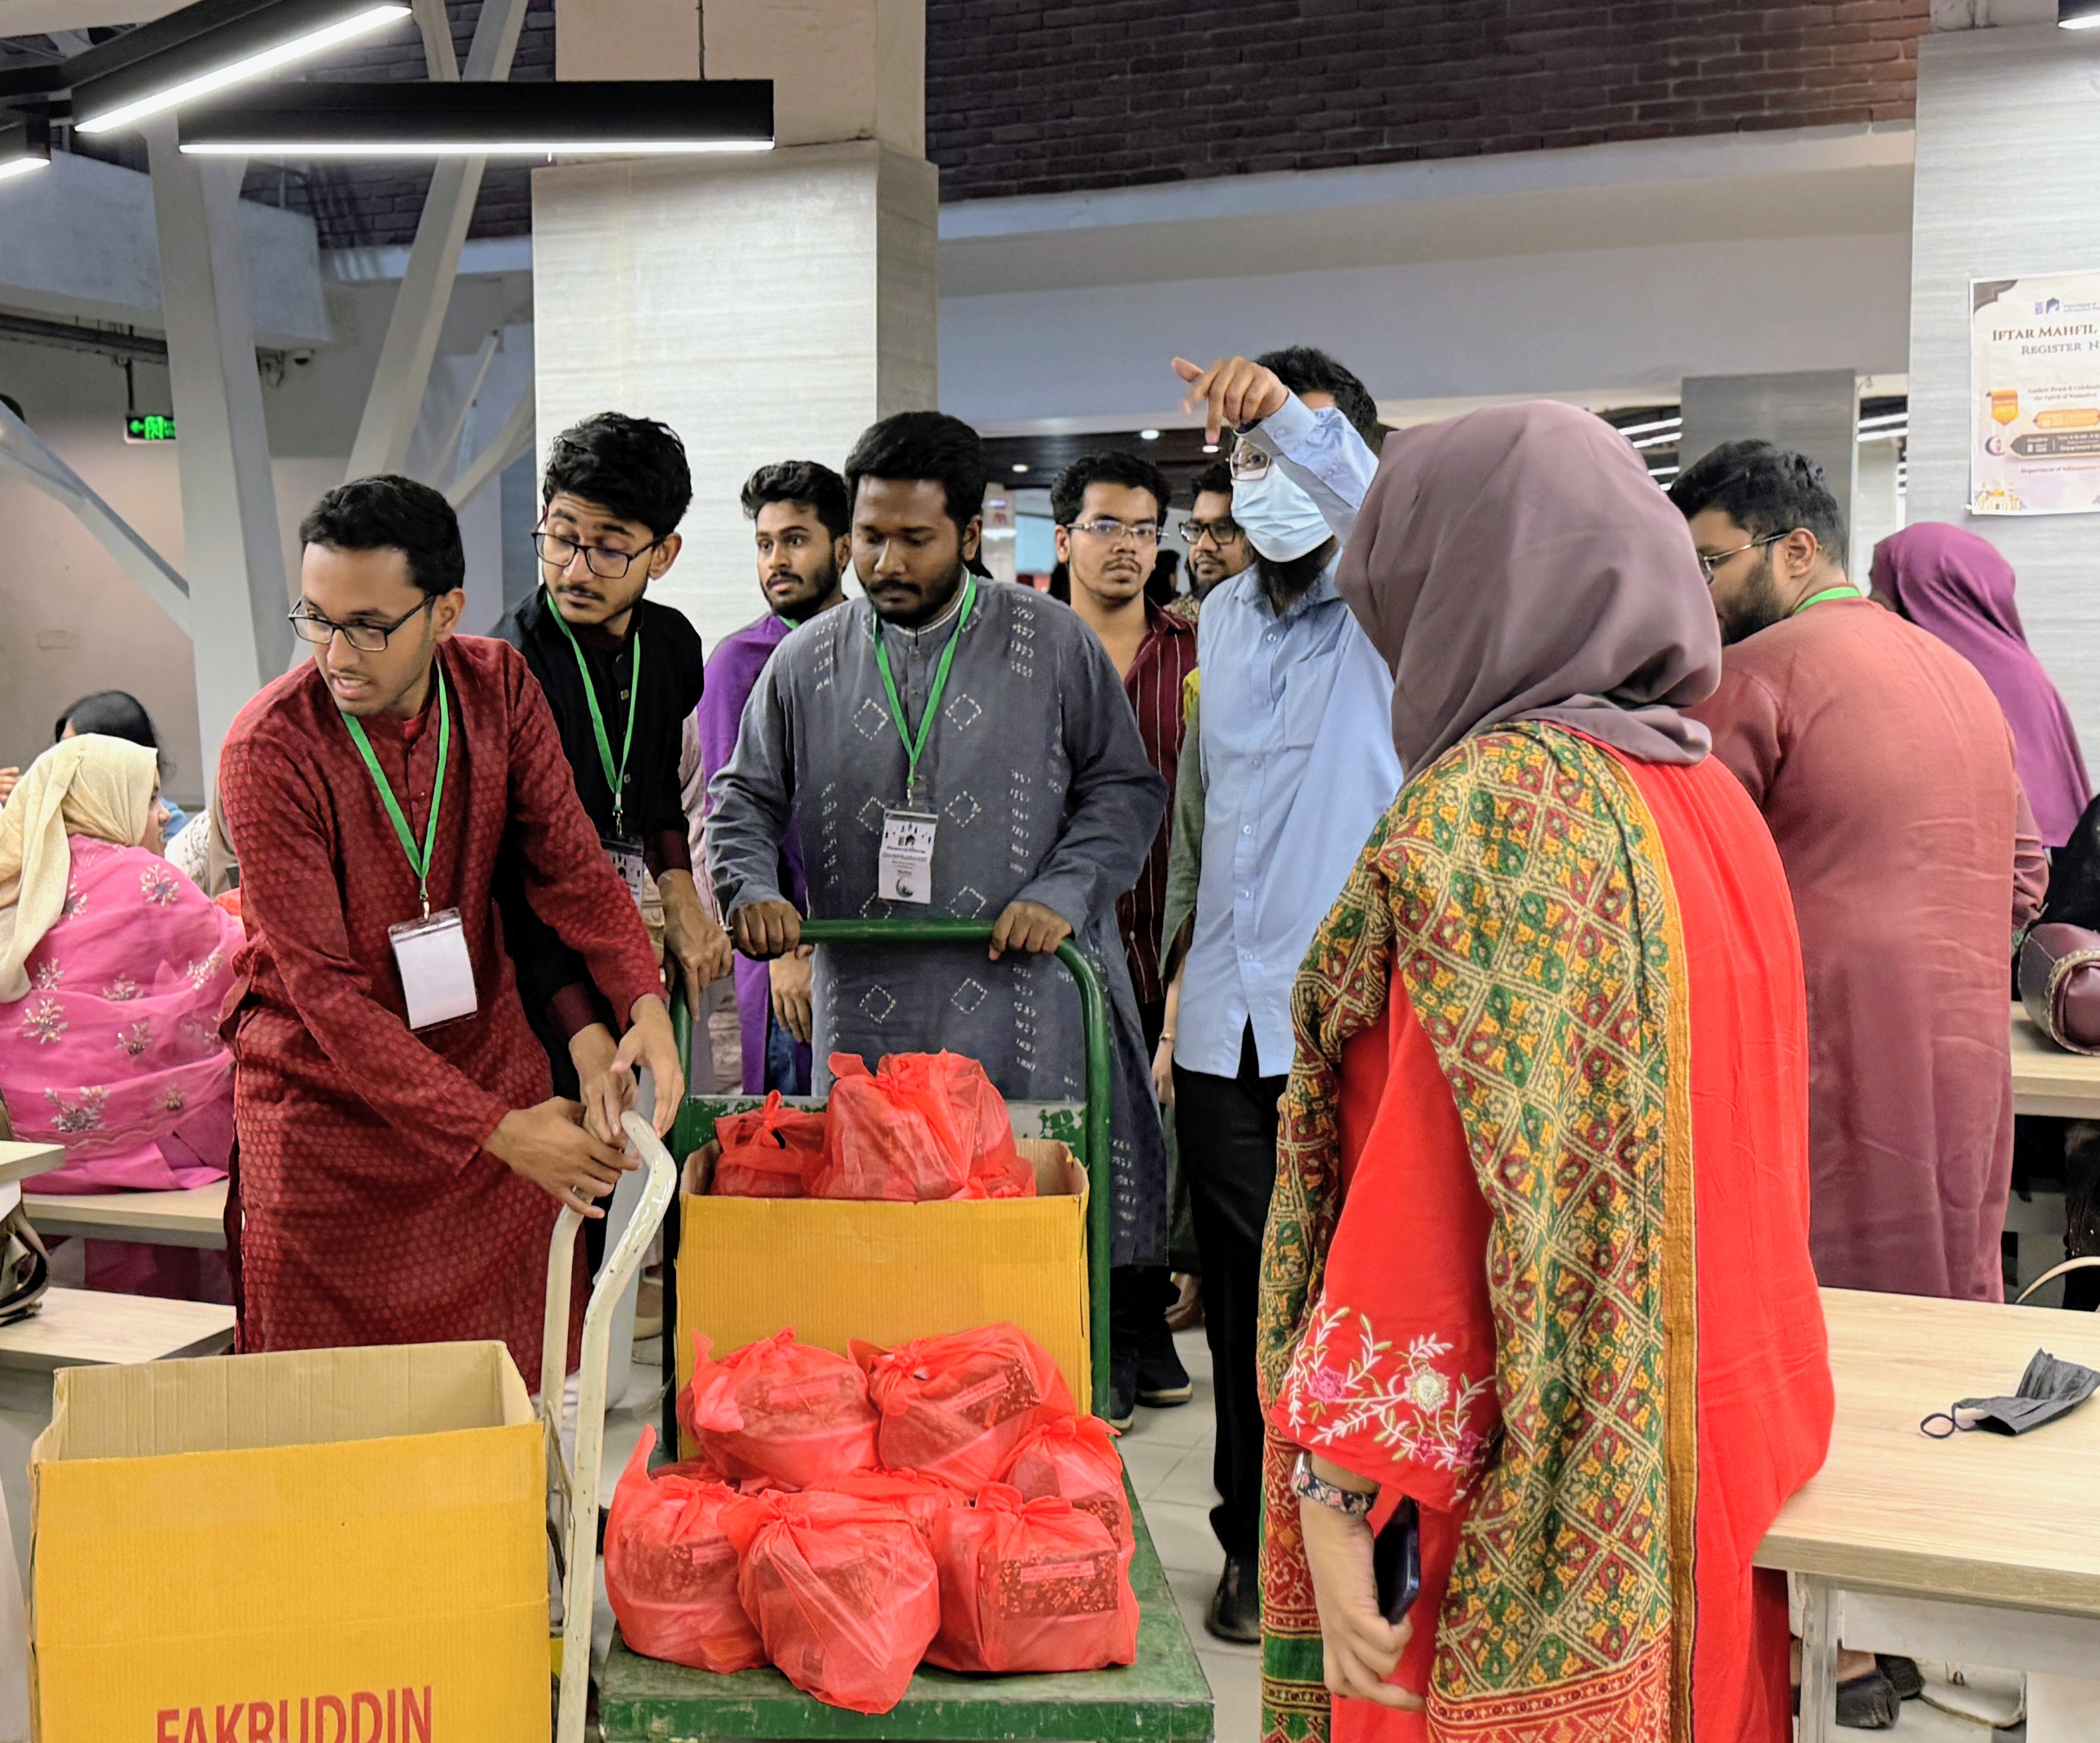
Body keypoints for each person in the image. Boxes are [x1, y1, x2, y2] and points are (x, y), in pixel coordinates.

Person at [1260, 399, 1831, 1743]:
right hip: (1717, 1434)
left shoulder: (1491, 815)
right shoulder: (1710, 797)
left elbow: (1429, 1176)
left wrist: (1336, 1483)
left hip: (1518, 1470)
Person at [707, 410, 1170, 1350]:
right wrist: (749, 888)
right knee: (875, 1243)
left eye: (914, 539)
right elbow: (742, 798)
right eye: (869, 537)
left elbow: (1124, 789)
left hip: (1022, 995)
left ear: (967, 534)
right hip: (862, 1010)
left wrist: (1062, 893)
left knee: (1016, 1233)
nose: (885, 562)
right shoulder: (805, 661)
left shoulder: (1052, 642)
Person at [217, 475, 681, 1384]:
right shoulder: (269, 748)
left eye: (368, 626)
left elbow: (570, 866)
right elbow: (328, 1000)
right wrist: (501, 1130)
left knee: (498, 1396)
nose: (335, 654)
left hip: (485, 1071)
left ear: (446, 612)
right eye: (315, 619)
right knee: (324, 1413)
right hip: (327, 1116)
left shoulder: (497, 686)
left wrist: (644, 999)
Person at [1670, 442, 2045, 1302]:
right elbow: (2025, 872)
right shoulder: (1960, 675)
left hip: (1826, 1054)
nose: (1700, 594)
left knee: (1828, 1300)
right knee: (1947, 1297)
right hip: (1966, 1058)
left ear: (1796, 550)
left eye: (1710, 564)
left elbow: (1683, 879)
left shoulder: (1754, 676)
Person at [1158, 344, 1402, 1644]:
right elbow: (1214, 824)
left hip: (1353, 1018)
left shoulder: (1388, 606)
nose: (1261, 480)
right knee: (1251, 1306)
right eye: (1243, 458)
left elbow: (1379, 513)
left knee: (1361, 1293)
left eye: (1285, 456)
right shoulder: (1223, 622)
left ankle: (1371, 1542)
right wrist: (1175, 995)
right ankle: (1253, 1550)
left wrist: (1296, 427)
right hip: (1223, 1026)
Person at [497, 414, 729, 1130]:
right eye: (561, 537)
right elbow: (513, 878)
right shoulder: (507, 667)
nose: (575, 570)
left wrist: (681, 892)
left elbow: (655, 789)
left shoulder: (672, 646)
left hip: (622, 942)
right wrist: (581, 1027)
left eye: (608, 548)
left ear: (662, 554)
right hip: (525, 970)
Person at [1052, 448, 1200, 1418]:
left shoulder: (1197, 652)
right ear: (1065, 536)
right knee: (1083, 1137)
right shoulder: (1026, 647)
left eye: (1145, 530)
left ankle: (1144, 1323)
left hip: (1170, 938)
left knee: (1156, 1138)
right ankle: (1088, 1328)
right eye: (1107, 526)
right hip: (1062, 946)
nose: (1128, 548)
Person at [0, 734, 242, 1297]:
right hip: (120, 1149)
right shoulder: (140, 875)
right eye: (149, 797)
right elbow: (233, 961)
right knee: (239, 1084)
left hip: (27, 1150)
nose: (163, 815)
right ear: (105, 801)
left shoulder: (21, 877)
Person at [699, 460, 854, 1097]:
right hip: (789, 961)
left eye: (795, 540)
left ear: (842, 548)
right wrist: (786, 955)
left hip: (877, 943)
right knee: (797, 1132)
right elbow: (736, 821)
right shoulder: (740, 663)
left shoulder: (877, 649)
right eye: (764, 544)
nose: (776, 561)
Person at [1870, 521, 2091, 850]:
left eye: (1879, 589)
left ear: (1923, 597)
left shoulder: (1952, 681)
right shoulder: (2022, 672)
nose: (1871, 604)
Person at [1176, 459, 1253, 613]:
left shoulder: (1289, 620)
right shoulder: (1173, 624)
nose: (1203, 545)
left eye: (1222, 529)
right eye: (1197, 529)